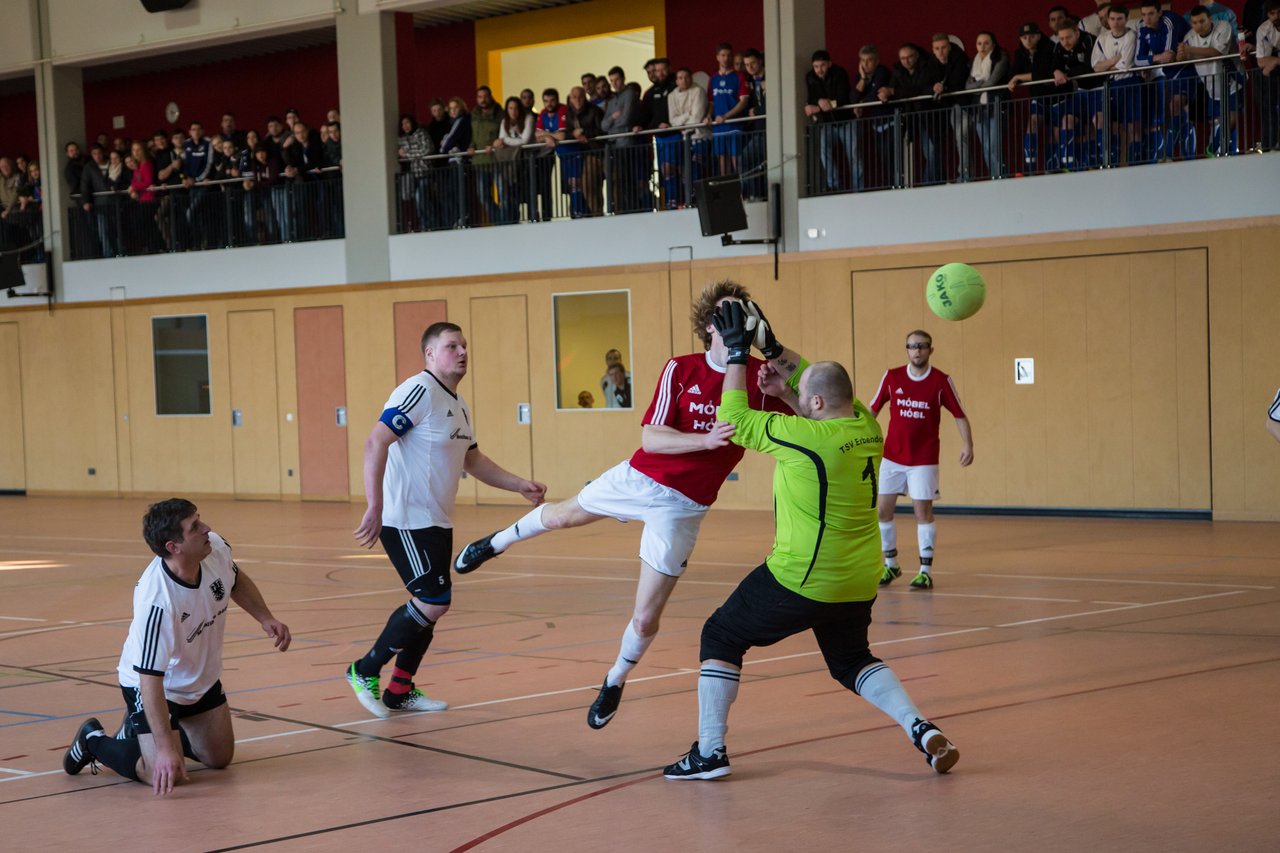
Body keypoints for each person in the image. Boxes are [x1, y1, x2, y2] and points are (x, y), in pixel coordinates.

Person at [453, 281, 796, 730]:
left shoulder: (760, 378)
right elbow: (651, 437)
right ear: (710, 325)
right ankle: (494, 543)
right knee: (561, 516)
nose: (736, 320)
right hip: (639, 477)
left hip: (683, 507)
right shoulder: (681, 368)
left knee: (646, 615)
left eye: (743, 313)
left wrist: (784, 385)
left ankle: (615, 679)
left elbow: (812, 415)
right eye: (726, 313)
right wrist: (704, 440)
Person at [661, 302, 959, 780]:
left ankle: (710, 752)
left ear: (814, 404)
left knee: (720, 634)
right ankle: (920, 728)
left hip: (801, 575)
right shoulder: (866, 424)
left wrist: (738, 352)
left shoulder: (801, 436)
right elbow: (812, 386)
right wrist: (775, 355)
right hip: (857, 579)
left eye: (802, 396)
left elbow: (732, 415)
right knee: (852, 660)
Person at [346, 322, 546, 717]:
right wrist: (375, 505)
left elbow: (472, 459)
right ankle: (364, 670)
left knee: (431, 604)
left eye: (464, 346)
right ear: (430, 354)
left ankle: (400, 689)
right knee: (433, 600)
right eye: (452, 346)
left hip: (437, 520)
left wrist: (518, 484)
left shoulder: (458, 403)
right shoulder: (418, 391)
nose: (462, 352)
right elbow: (376, 441)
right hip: (404, 517)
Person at [62, 499, 291, 795]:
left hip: (199, 677)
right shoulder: (157, 602)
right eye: (195, 527)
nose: (207, 528)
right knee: (165, 770)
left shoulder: (215, 548)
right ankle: (93, 741)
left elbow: (234, 579)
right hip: (156, 685)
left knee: (219, 758)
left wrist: (265, 617)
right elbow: (149, 680)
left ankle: (143, 732)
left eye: (200, 520)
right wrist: (165, 750)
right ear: (174, 547)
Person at [870, 330, 973, 590]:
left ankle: (925, 571)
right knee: (882, 511)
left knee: (922, 513)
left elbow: (959, 414)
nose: (917, 350)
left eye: (922, 346)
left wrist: (967, 444)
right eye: (912, 346)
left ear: (930, 350)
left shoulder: (941, 381)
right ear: (906, 349)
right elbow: (872, 409)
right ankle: (891, 565)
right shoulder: (892, 377)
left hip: (923, 459)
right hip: (892, 457)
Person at [1179, 4, 1242, 155]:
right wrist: (1181, 54)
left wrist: (1190, 51)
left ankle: (1215, 149)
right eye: (1194, 23)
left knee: (1232, 120)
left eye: (1202, 21)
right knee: (1217, 121)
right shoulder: (1189, 37)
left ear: (1210, 19)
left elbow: (1217, 52)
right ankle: (1220, 152)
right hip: (1211, 86)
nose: (1198, 26)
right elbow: (1180, 57)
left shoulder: (1223, 26)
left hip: (1233, 80)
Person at [1093, 4, 1142, 165]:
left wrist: (1107, 65)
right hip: (1110, 84)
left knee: (1132, 125)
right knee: (1107, 122)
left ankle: (1135, 162)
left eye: (1119, 19)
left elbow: (1125, 64)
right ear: (1107, 20)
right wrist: (1113, 60)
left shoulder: (1131, 36)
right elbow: (1096, 67)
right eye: (1112, 19)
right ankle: (1111, 161)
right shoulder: (1102, 38)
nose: (1116, 22)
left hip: (1130, 82)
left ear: (1126, 19)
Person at [1008, 22, 1057, 171]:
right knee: (1032, 124)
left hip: (1057, 96)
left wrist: (1019, 77)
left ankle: (1054, 167)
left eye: (1031, 37)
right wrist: (1016, 77)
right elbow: (1012, 74)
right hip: (1037, 95)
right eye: (1024, 38)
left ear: (1039, 36)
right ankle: (1030, 167)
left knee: (1055, 131)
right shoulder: (1020, 53)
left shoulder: (1050, 47)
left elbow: (1043, 74)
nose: (1028, 40)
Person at [806, 49, 854, 192]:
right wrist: (818, 102)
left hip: (846, 121)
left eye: (822, 65)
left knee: (853, 155)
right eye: (816, 66)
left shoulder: (840, 73)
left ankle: (858, 188)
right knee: (823, 152)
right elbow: (812, 97)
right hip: (827, 123)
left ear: (829, 64)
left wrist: (820, 106)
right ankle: (833, 185)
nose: (819, 70)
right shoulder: (810, 77)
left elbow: (843, 98)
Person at [965, 32, 1010, 179]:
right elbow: (967, 87)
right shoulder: (974, 61)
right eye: (979, 43)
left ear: (993, 44)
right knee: (985, 146)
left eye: (986, 43)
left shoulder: (1001, 57)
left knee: (994, 146)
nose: (982, 47)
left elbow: (992, 82)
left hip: (995, 107)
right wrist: (980, 85)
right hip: (979, 109)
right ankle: (993, 176)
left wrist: (976, 86)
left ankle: (1001, 177)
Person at [710, 42, 751, 177]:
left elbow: (743, 101)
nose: (726, 58)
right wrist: (708, 115)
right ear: (717, 57)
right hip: (718, 128)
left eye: (728, 55)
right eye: (723, 55)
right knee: (722, 162)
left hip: (735, 126)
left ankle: (741, 188)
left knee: (736, 160)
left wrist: (726, 116)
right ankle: (726, 189)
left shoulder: (739, 76)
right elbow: (711, 102)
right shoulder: (713, 78)